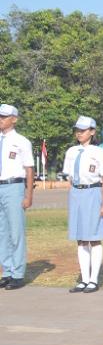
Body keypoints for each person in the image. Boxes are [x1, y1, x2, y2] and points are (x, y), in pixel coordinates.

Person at [63, 116, 103, 293]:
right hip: (77, 192)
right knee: (80, 238)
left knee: (94, 237)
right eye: (77, 130)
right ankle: (83, 279)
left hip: (93, 192)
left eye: (83, 130)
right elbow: (69, 177)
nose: (79, 133)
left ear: (92, 131)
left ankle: (94, 279)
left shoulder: (99, 153)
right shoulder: (71, 151)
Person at [0, 103, 33, 290]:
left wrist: (28, 195)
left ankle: (18, 273)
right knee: (2, 233)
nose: (1, 119)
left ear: (14, 119)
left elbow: (29, 169)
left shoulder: (21, 141)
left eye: (4, 116)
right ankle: (7, 271)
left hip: (14, 186)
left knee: (16, 232)